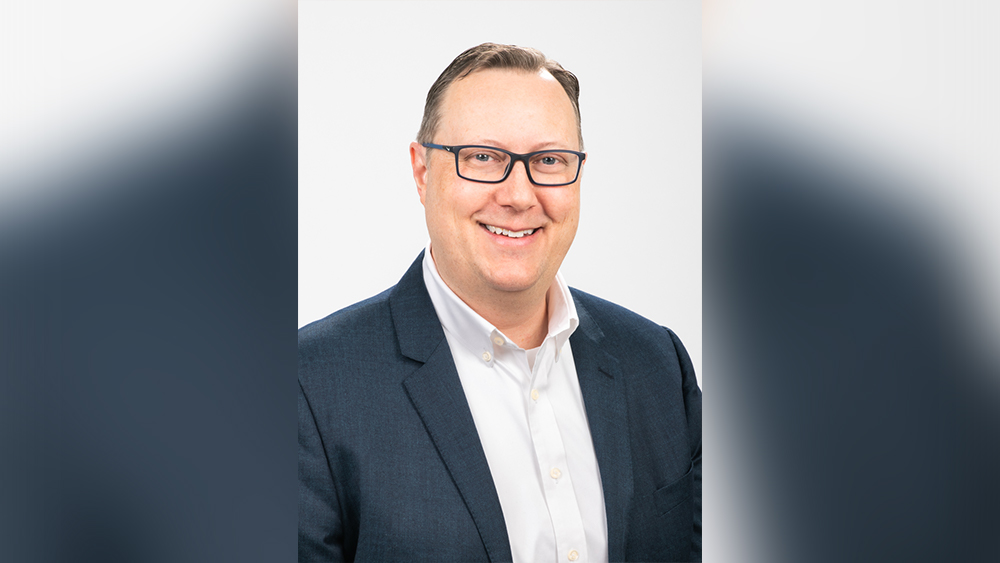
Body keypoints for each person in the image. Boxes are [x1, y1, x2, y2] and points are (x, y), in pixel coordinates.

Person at [299, 43, 701, 563]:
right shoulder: (310, 385)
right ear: (422, 172)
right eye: (483, 157)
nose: (518, 194)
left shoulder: (657, 364)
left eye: (549, 160)